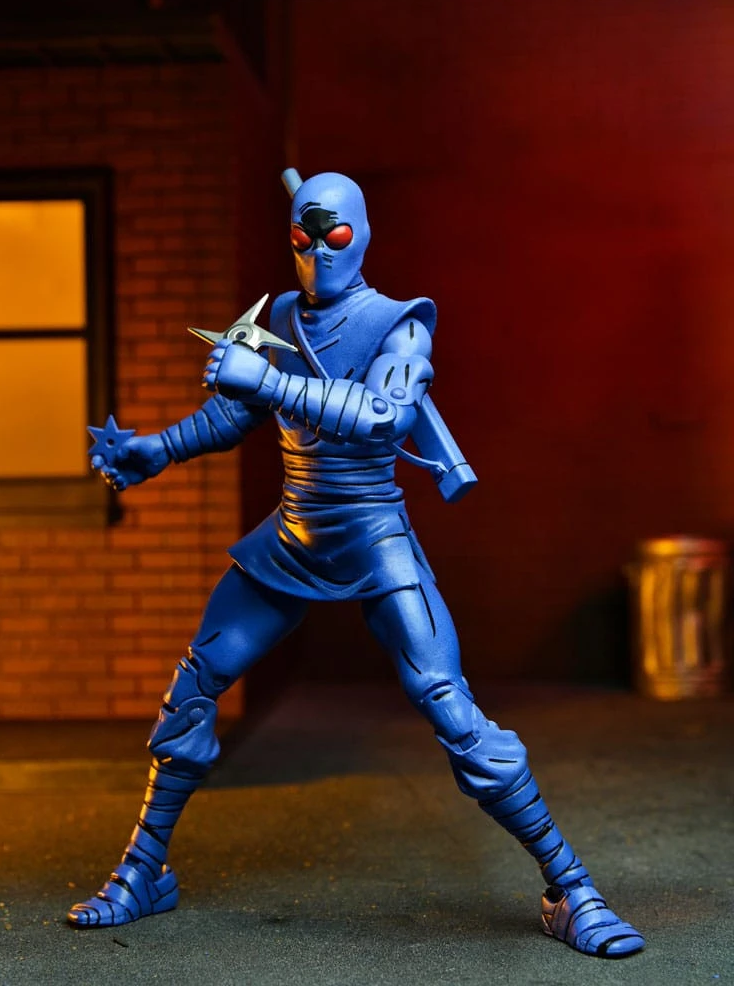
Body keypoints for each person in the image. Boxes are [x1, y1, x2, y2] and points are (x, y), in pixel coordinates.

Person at [69, 171, 644, 958]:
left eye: (333, 234)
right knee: (193, 686)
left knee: (452, 710)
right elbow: (236, 411)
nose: (318, 252)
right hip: (294, 534)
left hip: (375, 537)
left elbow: (384, 417)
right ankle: (143, 871)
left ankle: (571, 887)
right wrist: (157, 450)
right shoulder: (276, 316)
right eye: (302, 238)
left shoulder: (399, 323)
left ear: (363, 235)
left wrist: (268, 378)